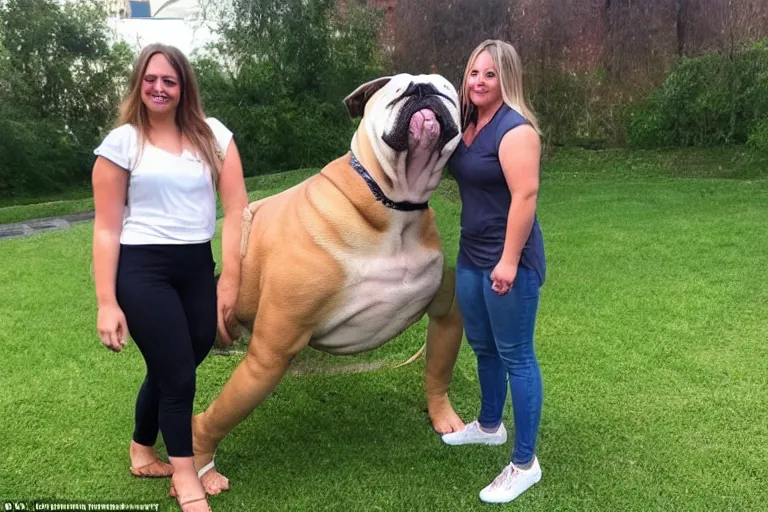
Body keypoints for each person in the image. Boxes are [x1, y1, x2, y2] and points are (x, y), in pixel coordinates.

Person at [91, 43, 248, 512]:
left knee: (181, 358)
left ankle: (142, 448)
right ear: (140, 83)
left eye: (170, 81)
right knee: (179, 376)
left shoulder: (214, 135)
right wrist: (106, 301)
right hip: (143, 270)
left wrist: (230, 278)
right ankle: (186, 476)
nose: (159, 88)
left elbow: (237, 208)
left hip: (196, 266)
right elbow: (105, 227)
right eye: (151, 79)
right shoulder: (122, 143)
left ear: (183, 87)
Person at [440, 39, 547, 504]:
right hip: (470, 255)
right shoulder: (468, 124)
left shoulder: (516, 130)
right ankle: (488, 425)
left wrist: (507, 260)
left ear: (507, 80)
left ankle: (525, 463)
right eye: (473, 73)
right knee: (484, 346)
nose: (478, 82)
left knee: (517, 355)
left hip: (510, 261)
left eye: (489, 75)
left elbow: (525, 197)